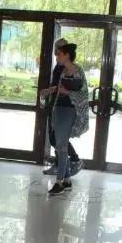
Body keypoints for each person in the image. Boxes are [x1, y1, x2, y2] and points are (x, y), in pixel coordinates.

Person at [42, 43, 89, 195]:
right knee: (60, 145)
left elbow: (83, 94)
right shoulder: (63, 71)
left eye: (60, 54)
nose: (57, 57)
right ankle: (67, 181)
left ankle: (59, 182)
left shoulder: (78, 71)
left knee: (61, 147)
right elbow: (59, 88)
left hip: (70, 112)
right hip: (58, 109)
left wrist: (67, 92)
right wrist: (49, 90)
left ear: (67, 55)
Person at [42, 38, 78, 175]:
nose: (57, 51)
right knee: (56, 138)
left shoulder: (67, 67)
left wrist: (49, 90)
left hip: (64, 106)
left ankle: (74, 160)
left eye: (60, 48)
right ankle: (61, 166)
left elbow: (64, 87)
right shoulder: (59, 65)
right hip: (55, 104)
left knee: (58, 138)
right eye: (56, 47)